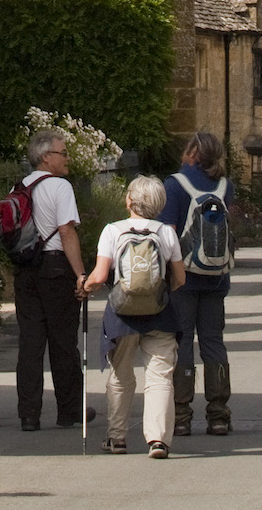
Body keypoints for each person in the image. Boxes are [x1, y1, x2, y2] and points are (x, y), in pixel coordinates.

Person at [79, 174, 188, 456]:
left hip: (122, 315)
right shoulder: (166, 232)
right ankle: (158, 440)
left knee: (121, 374)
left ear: (129, 199)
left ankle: (117, 438)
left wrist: (85, 286)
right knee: (160, 377)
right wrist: (160, 292)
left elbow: (101, 276)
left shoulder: (112, 231)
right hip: (160, 314)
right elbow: (180, 278)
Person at [158, 131, 236, 436]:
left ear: (192, 152)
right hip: (217, 277)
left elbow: (168, 234)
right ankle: (218, 414)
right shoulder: (225, 186)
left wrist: (170, 276)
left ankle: (181, 414)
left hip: (183, 278)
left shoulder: (175, 184)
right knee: (214, 342)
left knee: (182, 342)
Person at [12, 126, 88, 432]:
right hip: (56, 269)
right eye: (63, 152)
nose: (67, 158)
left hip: (27, 269)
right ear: (46, 157)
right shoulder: (60, 188)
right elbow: (67, 232)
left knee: (30, 342)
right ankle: (69, 410)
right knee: (63, 340)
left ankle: (29, 414)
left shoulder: (21, 186)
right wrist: (81, 274)